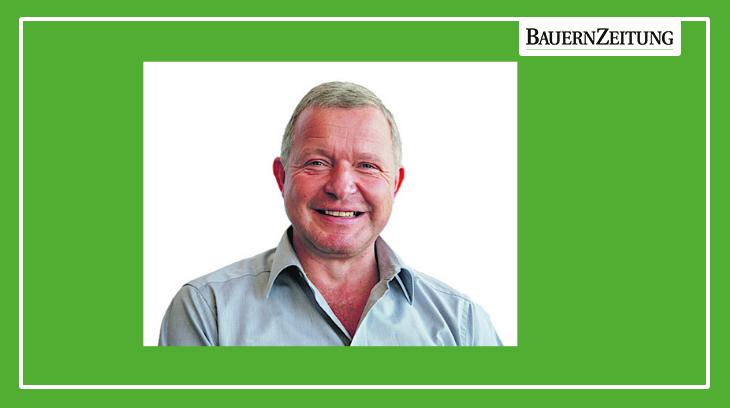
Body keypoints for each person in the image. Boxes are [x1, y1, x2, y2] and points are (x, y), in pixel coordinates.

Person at [159, 81, 501, 346]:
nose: (341, 187)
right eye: (317, 163)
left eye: (367, 165)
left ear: (395, 184)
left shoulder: (463, 326)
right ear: (282, 177)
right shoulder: (207, 312)